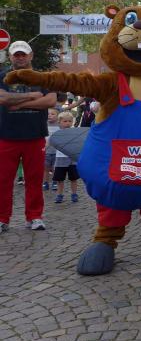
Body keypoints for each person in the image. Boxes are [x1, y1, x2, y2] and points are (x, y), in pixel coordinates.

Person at [0, 41, 57, 232]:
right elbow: (2, 98)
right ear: (10, 57)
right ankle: (2, 219)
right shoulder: (2, 76)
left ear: (31, 56)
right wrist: (33, 96)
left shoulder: (43, 77)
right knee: (2, 181)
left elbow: (50, 100)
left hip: (35, 135)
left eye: (23, 54)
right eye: (16, 55)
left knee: (34, 180)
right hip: (6, 135)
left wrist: (17, 104)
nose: (20, 58)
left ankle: (34, 216)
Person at [51, 111, 81, 204]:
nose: (67, 123)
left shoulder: (74, 132)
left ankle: (74, 194)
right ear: (59, 122)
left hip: (72, 159)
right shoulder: (57, 133)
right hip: (60, 160)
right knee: (60, 179)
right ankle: (59, 195)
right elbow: (51, 142)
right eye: (65, 121)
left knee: (73, 179)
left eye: (69, 121)